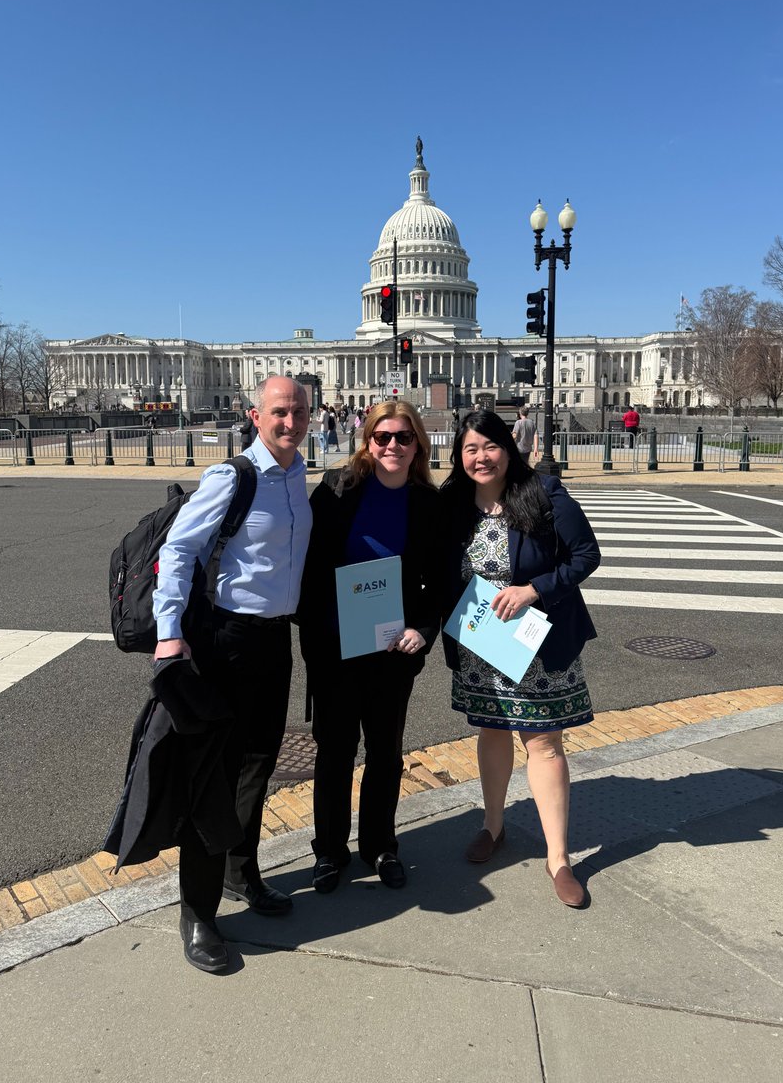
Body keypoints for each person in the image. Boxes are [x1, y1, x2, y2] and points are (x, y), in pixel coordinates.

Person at [152, 376, 312, 972]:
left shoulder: (299, 476)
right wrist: (170, 632)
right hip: (225, 640)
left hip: (274, 640)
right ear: (256, 415)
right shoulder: (232, 478)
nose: (289, 421)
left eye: (297, 411)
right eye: (278, 411)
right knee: (211, 775)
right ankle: (198, 913)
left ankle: (242, 872)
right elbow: (178, 551)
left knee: (258, 765)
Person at [441, 410, 600, 908]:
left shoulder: (544, 493)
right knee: (491, 731)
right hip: (482, 644)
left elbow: (585, 554)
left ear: (509, 448)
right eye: (471, 449)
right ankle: (493, 826)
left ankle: (559, 857)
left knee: (544, 743)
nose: (481, 458)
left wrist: (534, 589)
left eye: (490, 446)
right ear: (459, 455)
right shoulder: (451, 503)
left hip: (537, 641)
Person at [299, 401, 443, 893]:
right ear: (368, 440)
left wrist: (423, 630)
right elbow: (308, 567)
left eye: (404, 437)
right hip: (336, 647)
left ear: (417, 443)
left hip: (391, 649)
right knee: (334, 754)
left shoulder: (428, 502)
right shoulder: (339, 489)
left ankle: (381, 844)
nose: (392, 446)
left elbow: (440, 581)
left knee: (385, 753)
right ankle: (330, 851)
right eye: (383, 437)